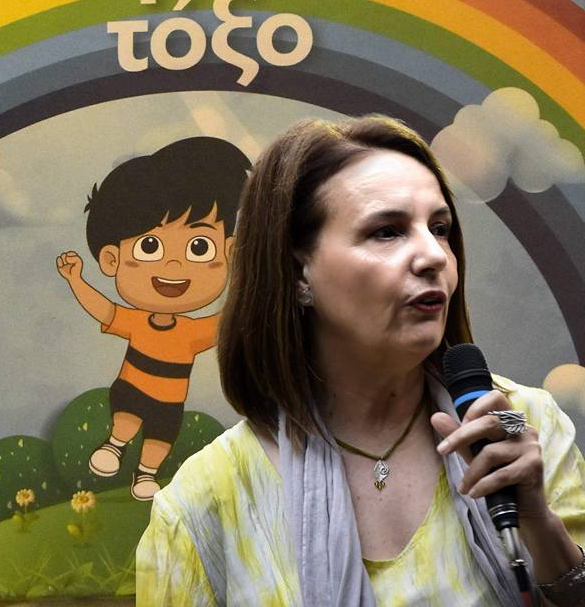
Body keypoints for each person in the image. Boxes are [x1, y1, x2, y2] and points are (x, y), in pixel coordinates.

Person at [136, 115, 585, 605]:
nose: (434, 256)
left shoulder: (523, 424)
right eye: (387, 232)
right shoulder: (204, 503)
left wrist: (538, 523)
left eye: (439, 229)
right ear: (298, 273)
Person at [56, 136, 250, 501]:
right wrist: (75, 279)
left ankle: (146, 474)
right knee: (127, 416)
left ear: (228, 251)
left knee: (161, 438)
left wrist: (250, 275)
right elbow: (102, 308)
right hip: (132, 388)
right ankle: (115, 444)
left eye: (199, 247)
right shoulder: (135, 321)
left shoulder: (194, 331)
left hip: (170, 403)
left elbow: (233, 316)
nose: (174, 265)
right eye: (150, 246)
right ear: (112, 259)